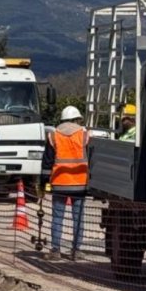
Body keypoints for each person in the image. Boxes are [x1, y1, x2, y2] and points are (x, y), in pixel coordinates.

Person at [42, 105, 89, 261]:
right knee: (78, 218)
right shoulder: (84, 134)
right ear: (77, 119)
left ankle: (55, 251)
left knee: (57, 217)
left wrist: (43, 183)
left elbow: (47, 162)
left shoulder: (54, 135)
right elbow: (90, 157)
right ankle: (76, 250)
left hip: (60, 182)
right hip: (80, 182)